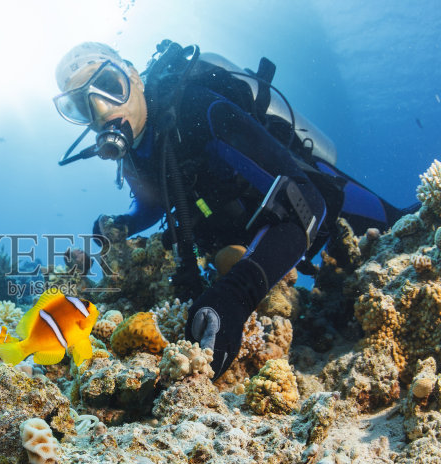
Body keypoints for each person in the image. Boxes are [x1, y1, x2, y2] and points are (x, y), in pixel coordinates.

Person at [53, 41, 417, 379]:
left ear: (133, 77)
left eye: (108, 86)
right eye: (82, 106)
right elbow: (152, 203)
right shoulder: (135, 156)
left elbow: (307, 204)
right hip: (251, 241)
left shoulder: (197, 109)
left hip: (323, 199)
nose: (101, 110)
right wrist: (122, 224)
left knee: (410, 231)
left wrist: (236, 294)